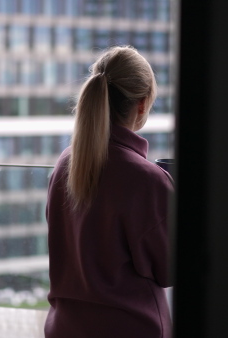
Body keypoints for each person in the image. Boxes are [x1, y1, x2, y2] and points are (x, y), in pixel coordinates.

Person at [44, 46, 174, 338]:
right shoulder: (147, 180)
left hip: (64, 329)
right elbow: (170, 269)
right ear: (142, 105)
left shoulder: (66, 163)